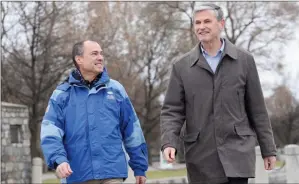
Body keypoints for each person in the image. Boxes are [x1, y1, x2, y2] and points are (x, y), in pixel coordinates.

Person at [160, 3, 277, 184]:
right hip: (201, 156)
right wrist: (169, 142)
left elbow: (258, 110)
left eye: (207, 21)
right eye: (197, 23)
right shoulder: (181, 66)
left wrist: (268, 149)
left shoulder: (244, 61)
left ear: (221, 24)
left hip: (237, 154)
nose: (201, 26)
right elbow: (172, 111)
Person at [40, 40, 148, 184]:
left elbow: (132, 130)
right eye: (94, 54)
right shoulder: (61, 94)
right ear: (79, 59)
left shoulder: (116, 90)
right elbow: (50, 133)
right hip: (77, 174)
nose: (100, 57)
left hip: (112, 173)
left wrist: (139, 167)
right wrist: (59, 160)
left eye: (101, 53)